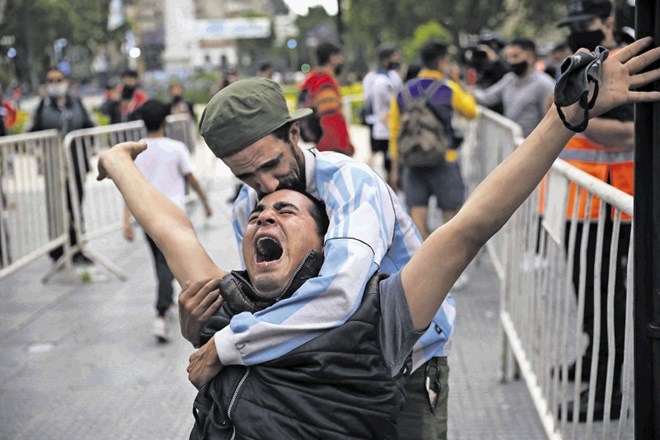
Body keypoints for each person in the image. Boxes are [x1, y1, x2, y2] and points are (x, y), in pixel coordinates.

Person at [96, 36, 660, 437]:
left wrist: (564, 120)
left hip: (402, 366)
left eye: (282, 198)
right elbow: (177, 235)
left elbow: (463, 231)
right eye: (250, 190)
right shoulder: (246, 306)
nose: (263, 199)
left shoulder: (371, 284)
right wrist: (206, 320)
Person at [388, 39, 477, 437]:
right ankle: (452, 273)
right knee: (453, 219)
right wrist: (456, 82)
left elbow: (393, 132)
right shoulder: (446, 87)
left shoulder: (403, 92)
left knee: (418, 221)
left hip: (412, 162)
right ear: (441, 61)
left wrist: (394, 166)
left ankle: (424, 274)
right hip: (445, 158)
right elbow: (471, 112)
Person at [554, 0, 635, 422]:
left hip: (613, 202)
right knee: (587, 296)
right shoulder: (582, 63)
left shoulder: (627, 61)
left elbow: (625, 130)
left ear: (606, 22)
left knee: (607, 300)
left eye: (584, 23)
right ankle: (593, 359)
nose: (577, 32)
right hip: (582, 203)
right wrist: (578, 116)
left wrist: (572, 115)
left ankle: (608, 390)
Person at [124, 99, 212, 342]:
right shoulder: (176, 148)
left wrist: (126, 219)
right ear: (165, 120)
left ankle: (169, 303)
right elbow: (191, 178)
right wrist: (205, 201)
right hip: (173, 215)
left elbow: (129, 186)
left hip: (146, 215)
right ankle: (161, 313)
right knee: (168, 263)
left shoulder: (137, 151)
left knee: (161, 261)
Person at [27, 67, 95, 265]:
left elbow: (89, 126)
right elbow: (31, 133)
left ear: (66, 81)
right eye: (51, 80)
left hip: (76, 165)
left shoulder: (77, 104)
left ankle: (77, 247)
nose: (56, 84)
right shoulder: (42, 106)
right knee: (57, 208)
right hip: (53, 167)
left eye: (59, 79)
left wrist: (88, 149)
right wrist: (39, 155)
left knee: (76, 206)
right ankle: (58, 250)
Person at [473, 37, 556, 138]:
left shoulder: (544, 84)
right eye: (508, 57)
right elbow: (487, 97)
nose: (511, 61)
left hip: (533, 145)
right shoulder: (509, 79)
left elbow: (550, 119)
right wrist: (462, 92)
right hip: (511, 144)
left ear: (529, 57)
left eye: (515, 56)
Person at [298, 41, 354, 156]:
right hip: (332, 150)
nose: (342, 60)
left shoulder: (313, 78)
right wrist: (344, 147)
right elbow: (330, 119)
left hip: (321, 146)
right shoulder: (325, 83)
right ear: (332, 58)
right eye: (340, 57)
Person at [362, 44, 402, 186]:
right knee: (383, 156)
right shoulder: (378, 80)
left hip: (386, 123)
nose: (397, 59)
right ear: (386, 59)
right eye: (394, 56)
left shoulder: (393, 76)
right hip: (382, 124)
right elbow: (379, 106)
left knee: (387, 160)